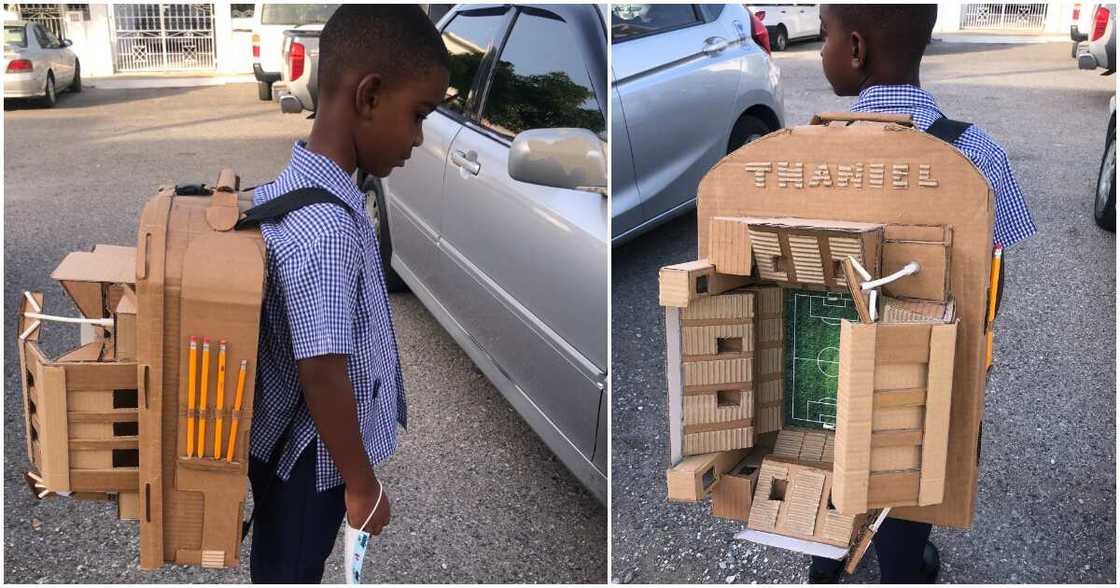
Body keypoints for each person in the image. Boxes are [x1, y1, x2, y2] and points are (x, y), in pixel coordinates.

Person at [809, 3, 1037, 583]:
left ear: (856, 50)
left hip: (821, 371)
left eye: (825, 35)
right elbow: (990, 284)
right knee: (909, 475)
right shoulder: (977, 152)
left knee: (828, 472)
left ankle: (826, 564)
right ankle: (904, 567)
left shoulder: (807, 154)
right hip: (927, 379)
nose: (819, 49)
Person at [245, 5, 450, 583]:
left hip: (289, 444)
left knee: (284, 565)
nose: (417, 137)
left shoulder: (298, 184)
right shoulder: (330, 227)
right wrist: (361, 486)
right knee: (292, 569)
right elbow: (323, 372)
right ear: (369, 97)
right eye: (417, 114)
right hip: (308, 462)